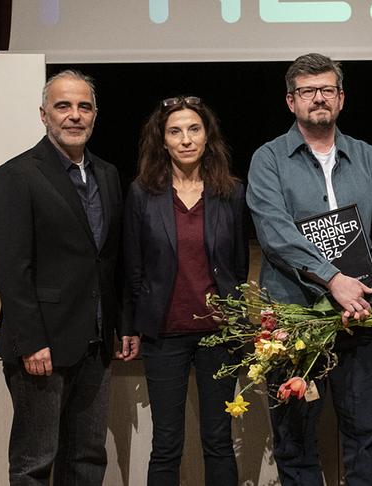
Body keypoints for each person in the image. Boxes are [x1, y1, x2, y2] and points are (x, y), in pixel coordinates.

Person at [247, 53, 372, 486]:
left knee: (366, 439)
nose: (318, 98)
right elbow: (276, 233)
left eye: (327, 90)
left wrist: (368, 289)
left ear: (341, 98)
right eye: (307, 91)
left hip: (360, 320)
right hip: (294, 323)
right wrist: (334, 280)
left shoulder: (370, 158)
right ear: (291, 101)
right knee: (294, 444)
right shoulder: (268, 160)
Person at [0, 69, 139, 485]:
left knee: (87, 458)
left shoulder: (107, 174)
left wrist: (121, 324)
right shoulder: (16, 175)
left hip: (95, 342)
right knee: (35, 462)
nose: (75, 115)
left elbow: (110, 260)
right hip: (41, 346)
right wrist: (31, 341)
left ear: (95, 115)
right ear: (44, 115)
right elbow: (12, 268)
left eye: (84, 106)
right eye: (63, 106)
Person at [123, 95, 248, 485]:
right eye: (175, 132)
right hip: (164, 335)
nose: (186, 139)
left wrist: (237, 318)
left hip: (219, 336)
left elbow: (238, 265)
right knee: (166, 444)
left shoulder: (231, 192)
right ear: (162, 141)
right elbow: (132, 267)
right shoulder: (143, 193)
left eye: (194, 129)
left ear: (208, 136)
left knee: (219, 441)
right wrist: (131, 326)